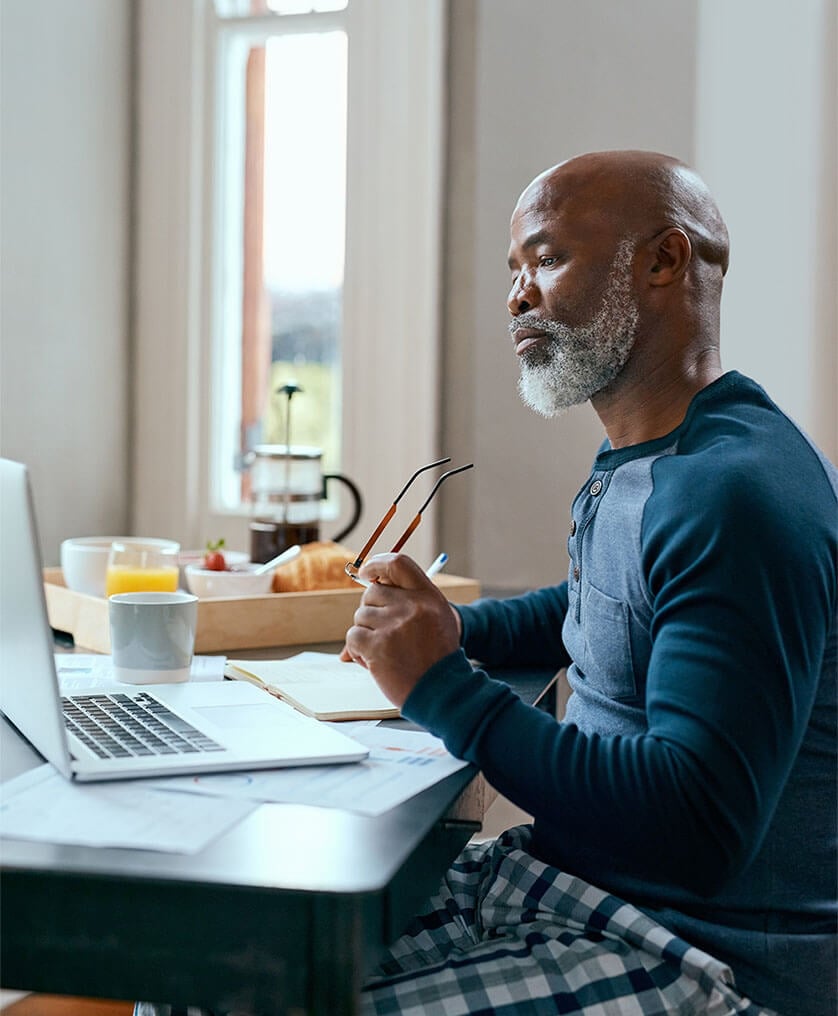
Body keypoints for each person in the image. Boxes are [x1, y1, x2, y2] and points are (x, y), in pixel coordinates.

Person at [137, 151, 836, 1015]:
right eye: (515, 270)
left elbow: (695, 831)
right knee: (186, 969)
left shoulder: (734, 493)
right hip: (583, 889)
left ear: (663, 262)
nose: (517, 297)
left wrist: (441, 686)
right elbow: (600, 610)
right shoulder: (653, 454)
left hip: (703, 954)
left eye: (546, 259)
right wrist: (456, 628)